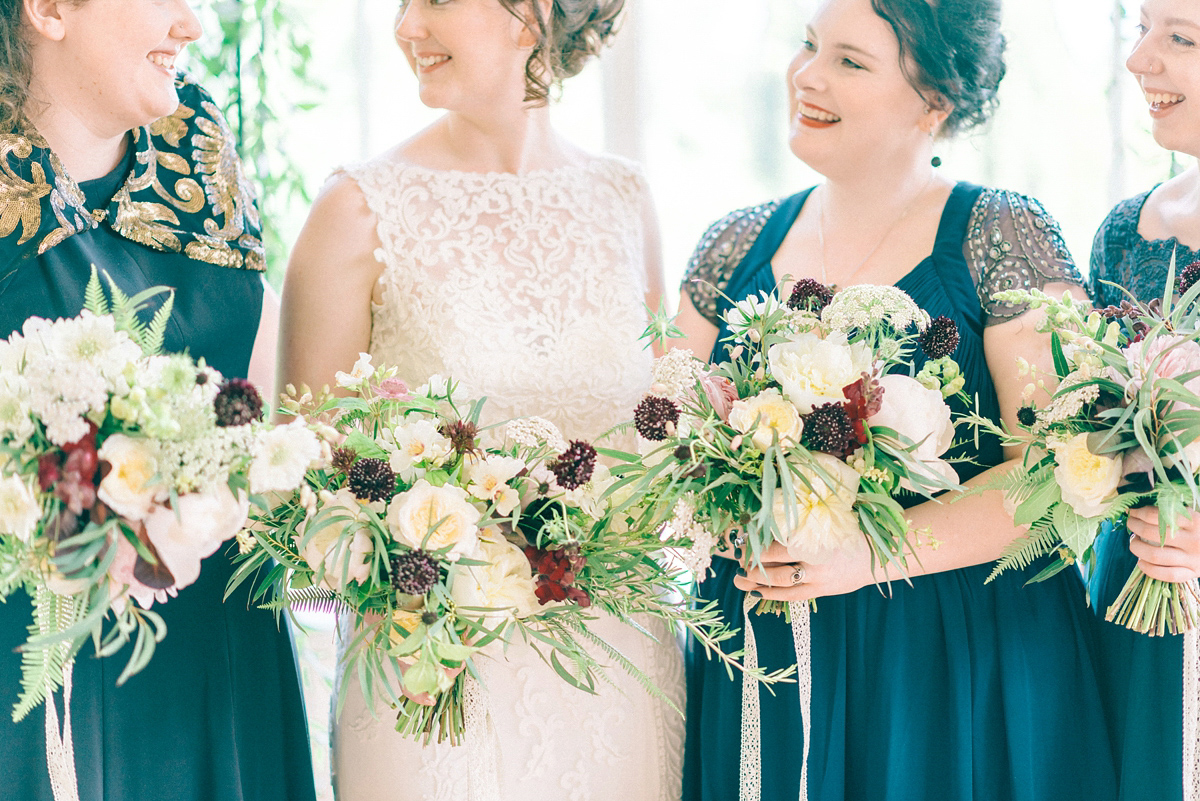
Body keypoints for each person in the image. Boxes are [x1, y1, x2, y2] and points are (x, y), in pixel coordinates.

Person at [675, 0, 1118, 798]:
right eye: (810, 46)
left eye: (850, 61)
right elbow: (667, 446)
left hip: (955, 667)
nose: (806, 75)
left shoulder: (1000, 234)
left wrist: (867, 552)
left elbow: (1059, 479)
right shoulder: (731, 245)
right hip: (765, 654)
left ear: (934, 101)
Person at [279, 0, 683, 798]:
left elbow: (663, 427)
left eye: (432, 0)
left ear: (529, 17)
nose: (405, 28)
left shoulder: (624, 200)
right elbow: (303, 487)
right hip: (435, 680)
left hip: (616, 661)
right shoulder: (356, 211)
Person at [0, 1, 317, 800]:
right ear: (47, 10)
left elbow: (273, 396)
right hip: (33, 674)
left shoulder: (198, 141)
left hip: (215, 655)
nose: (193, 25)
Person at [1088, 1, 1200, 797]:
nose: (1140, 61)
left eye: (1181, 38)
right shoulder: (1124, 233)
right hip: (1128, 599)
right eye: (1141, 28)